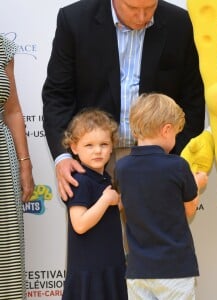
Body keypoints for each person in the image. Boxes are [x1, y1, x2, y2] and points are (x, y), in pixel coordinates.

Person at [42, 0, 206, 201]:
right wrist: (63, 155)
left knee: (154, 233)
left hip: (156, 159)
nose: (142, 17)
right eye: (133, 9)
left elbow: (193, 99)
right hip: (94, 160)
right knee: (96, 232)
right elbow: (58, 95)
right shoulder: (75, 20)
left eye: (150, 8)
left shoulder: (178, 22)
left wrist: (173, 158)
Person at [115, 93, 208, 300]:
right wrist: (196, 184)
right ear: (167, 130)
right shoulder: (177, 165)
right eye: (175, 133)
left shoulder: (122, 167)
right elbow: (189, 210)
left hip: (138, 270)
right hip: (175, 269)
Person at [61, 108, 127, 300]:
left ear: (112, 146)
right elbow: (79, 224)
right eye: (89, 145)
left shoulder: (105, 178)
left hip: (111, 266)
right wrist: (106, 200)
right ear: (74, 147)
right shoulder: (80, 181)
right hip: (90, 273)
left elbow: (110, 212)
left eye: (104, 144)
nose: (98, 150)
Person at [0, 34, 34, 299]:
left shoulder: (2, 44)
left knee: (5, 254)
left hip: (2, 161)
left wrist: (25, 164)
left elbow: (12, 110)